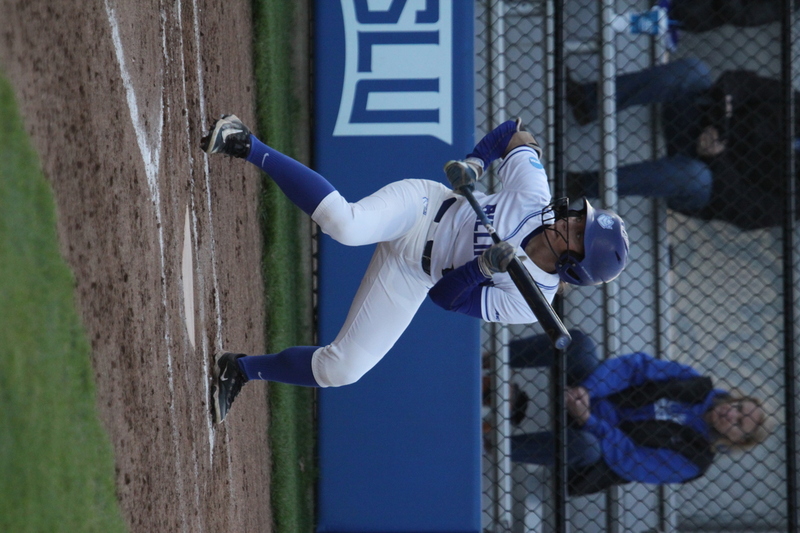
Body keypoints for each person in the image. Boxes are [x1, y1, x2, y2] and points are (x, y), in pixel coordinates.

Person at [199, 115, 629, 422]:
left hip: (415, 273)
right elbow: (516, 134)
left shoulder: (527, 300)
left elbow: (444, 298)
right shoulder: (535, 196)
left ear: (575, 264)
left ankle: (240, 368)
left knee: (343, 369)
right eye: (579, 218)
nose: (571, 220)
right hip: (423, 209)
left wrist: (482, 266)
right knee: (346, 225)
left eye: (578, 232)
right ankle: (245, 143)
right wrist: (476, 163)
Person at [508, 329, 771, 496]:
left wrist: (589, 420)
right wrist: (589, 390)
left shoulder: (694, 461)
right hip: (592, 396)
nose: (730, 414)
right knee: (579, 344)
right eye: (737, 407)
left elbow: (630, 460)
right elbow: (636, 367)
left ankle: (494, 444)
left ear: (737, 441)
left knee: (584, 447)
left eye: (738, 423)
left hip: (598, 446)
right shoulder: (695, 384)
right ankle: (490, 360)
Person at [566, 57, 799, 231]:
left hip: (705, 174)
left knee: (696, 178)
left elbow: (745, 209)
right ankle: (588, 101)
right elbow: (744, 82)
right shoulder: (796, 104)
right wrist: (723, 108)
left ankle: (581, 184)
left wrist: (715, 157)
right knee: (694, 71)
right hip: (699, 119)